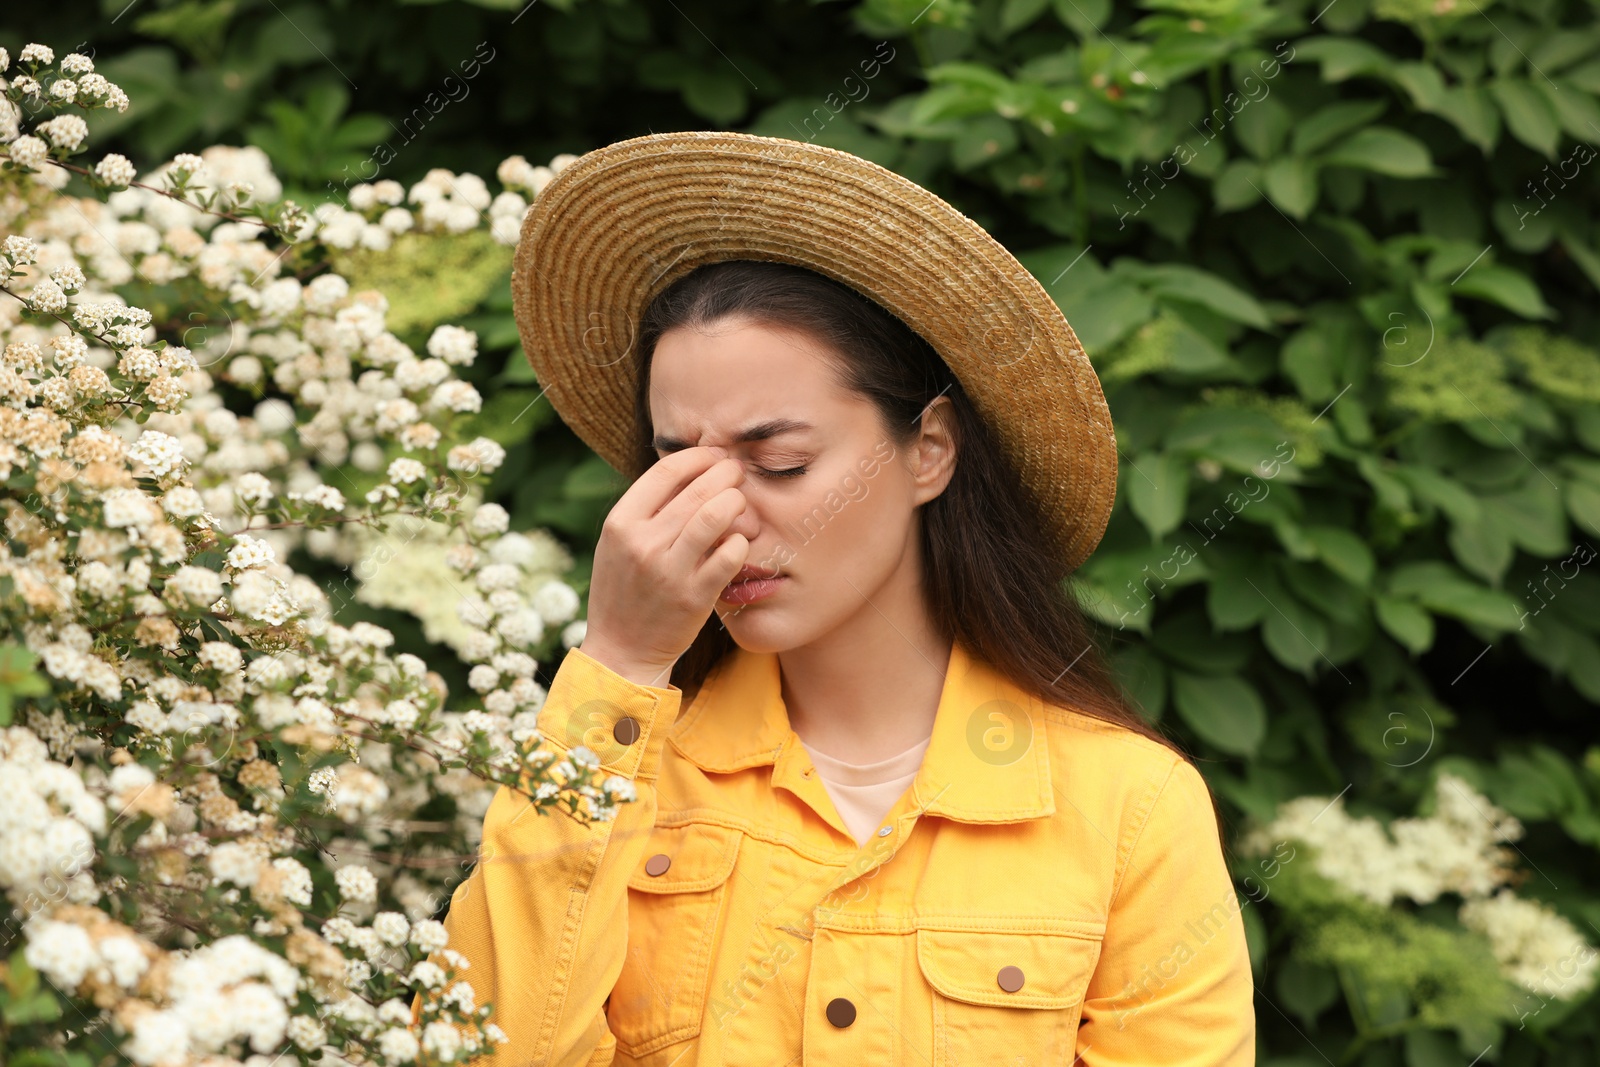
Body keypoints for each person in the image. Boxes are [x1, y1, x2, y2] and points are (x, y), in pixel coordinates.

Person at [427, 131, 1256, 1066]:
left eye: (781, 461)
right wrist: (618, 660)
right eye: (677, 467)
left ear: (930, 449)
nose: (724, 517)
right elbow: (475, 1052)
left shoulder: (1128, 807)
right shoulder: (614, 777)